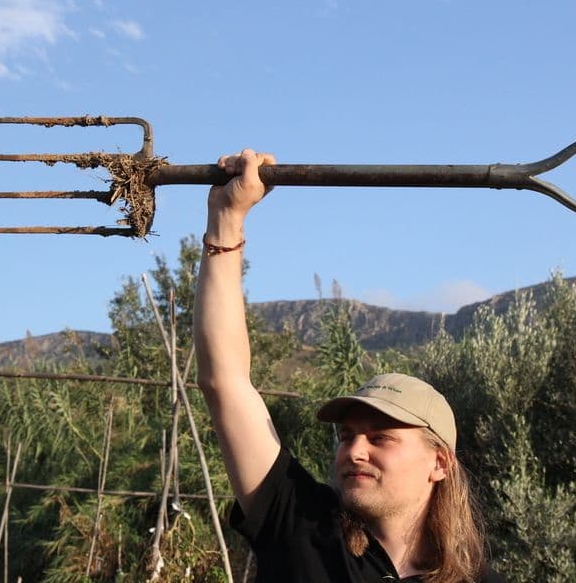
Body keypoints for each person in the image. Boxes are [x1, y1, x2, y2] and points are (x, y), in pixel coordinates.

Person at [193, 149, 504, 582]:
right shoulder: (301, 525)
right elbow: (223, 381)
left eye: (381, 438)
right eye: (346, 436)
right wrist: (226, 218)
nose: (354, 451)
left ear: (440, 464)